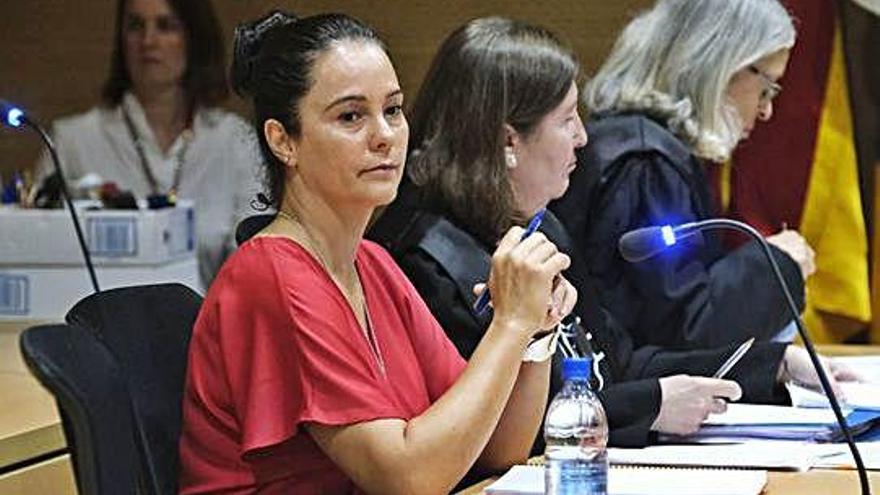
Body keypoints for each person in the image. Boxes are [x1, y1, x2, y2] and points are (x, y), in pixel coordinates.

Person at [368, 16, 853, 449]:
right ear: (509, 139)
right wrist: (651, 404)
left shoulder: (542, 225)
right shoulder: (424, 258)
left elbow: (616, 362)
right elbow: (488, 435)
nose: (583, 137)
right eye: (566, 120)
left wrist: (774, 365)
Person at [178, 11, 574, 494]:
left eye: (393, 110)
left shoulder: (375, 264)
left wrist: (535, 330)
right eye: (351, 116)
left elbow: (498, 450)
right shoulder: (272, 276)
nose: (385, 135)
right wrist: (508, 323)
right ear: (283, 141)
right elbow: (408, 482)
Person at [550, 0, 817, 350]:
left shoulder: (640, 144)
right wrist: (779, 264)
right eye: (767, 88)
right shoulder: (646, 166)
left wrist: (775, 367)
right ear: (721, 64)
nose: (766, 110)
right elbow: (683, 333)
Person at [36, 0, 261, 287]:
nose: (148, 41)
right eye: (135, 26)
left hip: (206, 325)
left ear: (194, 38)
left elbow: (252, 268)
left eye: (165, 26)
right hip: (97, 326)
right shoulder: (72, 142)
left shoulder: (237, 143)